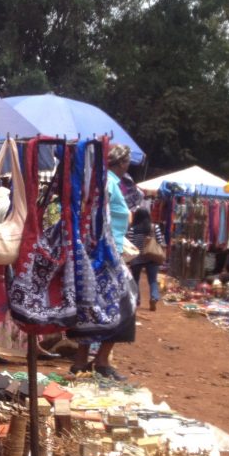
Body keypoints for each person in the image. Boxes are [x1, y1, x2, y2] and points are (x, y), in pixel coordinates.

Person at [68, 143, 135, 382]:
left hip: (99, 252)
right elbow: (101, 217)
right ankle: (102, 360)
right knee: (124, 304)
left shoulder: (103, 182)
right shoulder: (109, 184)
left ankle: (81, 360)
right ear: (122, 162)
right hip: (105, 254)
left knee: (91, 305)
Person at [126, 207, 166, 311]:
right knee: (152, 280)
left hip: (137, 257)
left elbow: (130, 244)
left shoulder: (132, 229)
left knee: (135, 280)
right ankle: (154, 297)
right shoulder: (154, 227)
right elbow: (160, 242)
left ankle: (136, 300)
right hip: (151, 257)